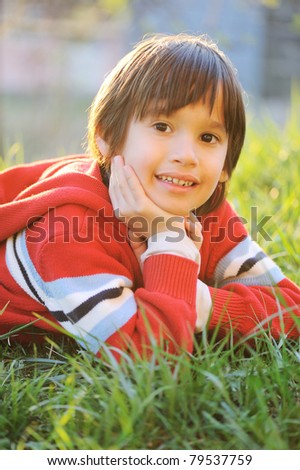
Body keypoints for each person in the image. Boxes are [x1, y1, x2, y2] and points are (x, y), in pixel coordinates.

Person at [0, 34, 299, 360]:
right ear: (107, 137)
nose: (187, 155)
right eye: (162, 126)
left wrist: (202, 303)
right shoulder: (67, 231)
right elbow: (150, 361)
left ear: (226, 165)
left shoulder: (203, 207)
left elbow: (292, 311)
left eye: (208, 137)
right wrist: (167, 243)